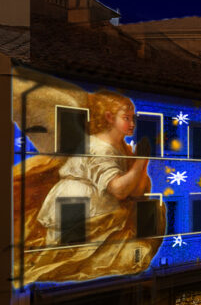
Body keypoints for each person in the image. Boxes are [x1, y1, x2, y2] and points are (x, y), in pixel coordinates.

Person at [23, 90, 162, 284]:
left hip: (93, 214)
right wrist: (140, 162)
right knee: (71, 261)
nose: (132, 124)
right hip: (78, 209)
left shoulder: (118, 147)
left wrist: (140, 163)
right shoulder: (99, 148)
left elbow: (135, 190)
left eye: (133, 118)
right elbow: (119, 189)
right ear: (108, 117)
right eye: (126, 118)